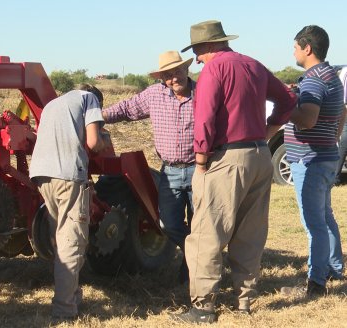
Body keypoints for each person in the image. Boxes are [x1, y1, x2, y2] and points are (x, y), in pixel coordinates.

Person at [170, 20, 297, 323]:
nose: (197, 58)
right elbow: (288, 98)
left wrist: (200, 159)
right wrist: (268, 130)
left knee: (206, 232)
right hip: (260, 155)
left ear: (209, 46)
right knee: (249, 232)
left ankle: (202, 307)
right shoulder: (253, 64)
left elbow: (205, 117)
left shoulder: (213, 70)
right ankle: (244, 301)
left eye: (198, 51)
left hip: (227, 159)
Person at [102, 50, 196, 283]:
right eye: (167, 75)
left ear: (186, 69)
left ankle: (192, 272)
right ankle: (197, 255)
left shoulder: (204, 93)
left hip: (201, 169)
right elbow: (124, 109)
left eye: (177, 72)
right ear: (161, 78)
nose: (174, 78)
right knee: (168, 223)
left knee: (200, 224)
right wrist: (94, 117)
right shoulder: (155, 95)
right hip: (171, 171)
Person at [29, 84, 107, 321]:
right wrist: (103, 139)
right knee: (72, 241)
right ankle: (64, 310)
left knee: (59, 236)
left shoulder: (53, 104)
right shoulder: (89, 99)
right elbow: (93, 143)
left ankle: (73, 295)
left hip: (42, 175)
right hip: (68, 176)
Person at [280, 25, 345, 298]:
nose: (293, 51)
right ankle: (333, 268)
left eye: (295, 46)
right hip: (326, 154)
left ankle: (316, 283)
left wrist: (287, 105)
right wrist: (333, 136)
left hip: (310, 160)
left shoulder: (315, 79)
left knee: (313, 223)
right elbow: (342, 111)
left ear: (307, 48)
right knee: (325, 217)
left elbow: (306, 119)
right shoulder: (331, 75)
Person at [334, 66, 347, 184]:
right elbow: (342, 94)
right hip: (345, 110)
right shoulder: (345, 71)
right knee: (344, 143)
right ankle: (335, 177)